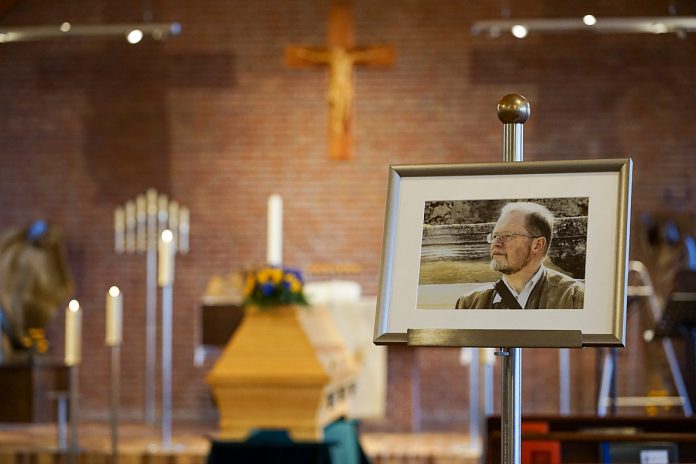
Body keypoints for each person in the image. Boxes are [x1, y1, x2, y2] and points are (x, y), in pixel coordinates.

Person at [455, 202, 584, 309]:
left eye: (507, 236)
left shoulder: (573, 298)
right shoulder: (470, 304)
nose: (496, 243)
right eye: (494, 236)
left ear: (537, 245)